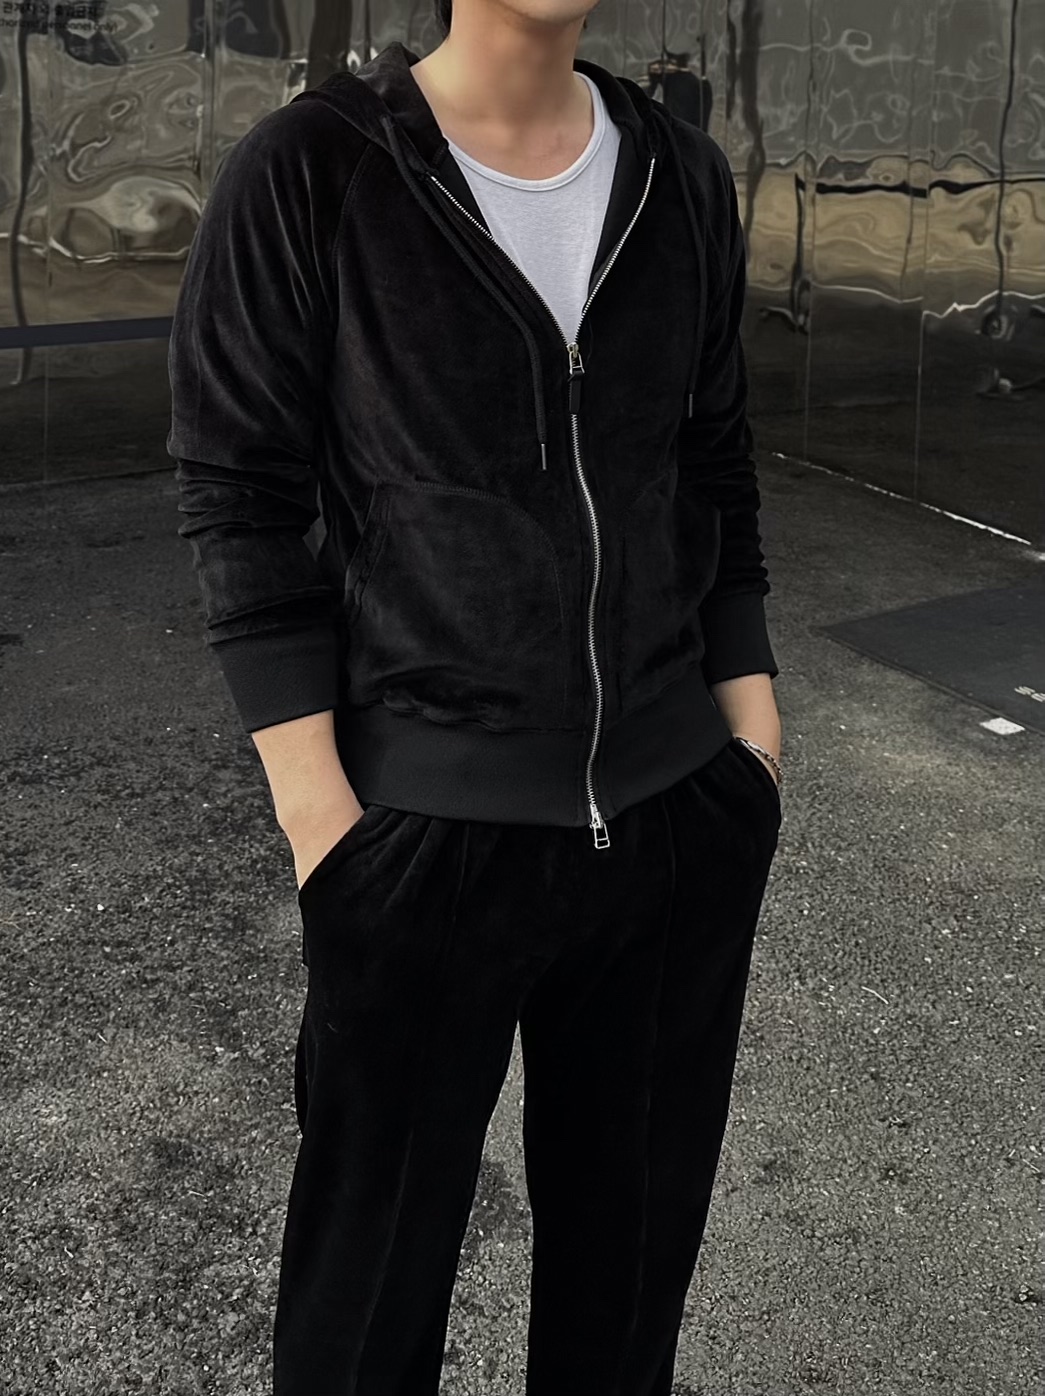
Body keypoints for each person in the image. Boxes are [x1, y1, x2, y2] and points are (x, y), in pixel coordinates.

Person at [167, 1, 784, 1391]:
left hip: (672, 819)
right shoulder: (312, 168)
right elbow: (238, 489)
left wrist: (749, 731)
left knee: (624, 1303)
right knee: (363, 1314)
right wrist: (324, 820)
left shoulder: (677, 172)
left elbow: (713, 459)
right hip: (420, 835)